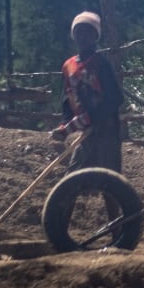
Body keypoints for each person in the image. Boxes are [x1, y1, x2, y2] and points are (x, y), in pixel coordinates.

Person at [51, 11, 123, 175]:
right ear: (73, 35)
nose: (83, 36)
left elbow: (115, 98)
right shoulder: (68, 66)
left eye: (88, 32)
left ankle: (117, 201)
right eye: (79, 31)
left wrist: (93, 117)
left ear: (95, 36)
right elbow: (68, 99)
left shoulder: (101, 63)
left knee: (110, 181)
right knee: (72, 179)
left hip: (107, 131)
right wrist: (65, 124)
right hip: (86, 132)